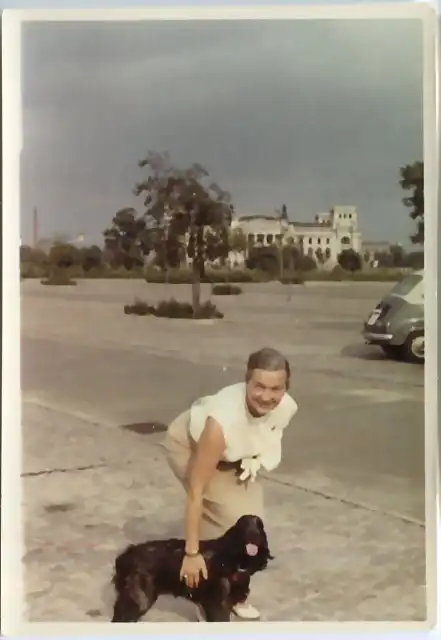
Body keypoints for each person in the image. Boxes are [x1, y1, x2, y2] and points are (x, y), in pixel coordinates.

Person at [162, 347, 298, 621]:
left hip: (232, 451)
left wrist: (254, 458)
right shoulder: (222, 421)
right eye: (259, 386)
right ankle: (206, 594)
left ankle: (235, 592)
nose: (267, 396)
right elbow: (196, 491)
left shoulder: (287, 406)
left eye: (276, 388)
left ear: (286, 387)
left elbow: (266, 434)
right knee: (220, 516)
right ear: (246, 381)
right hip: (189, 445)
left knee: (251, 524)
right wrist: (191, 552)